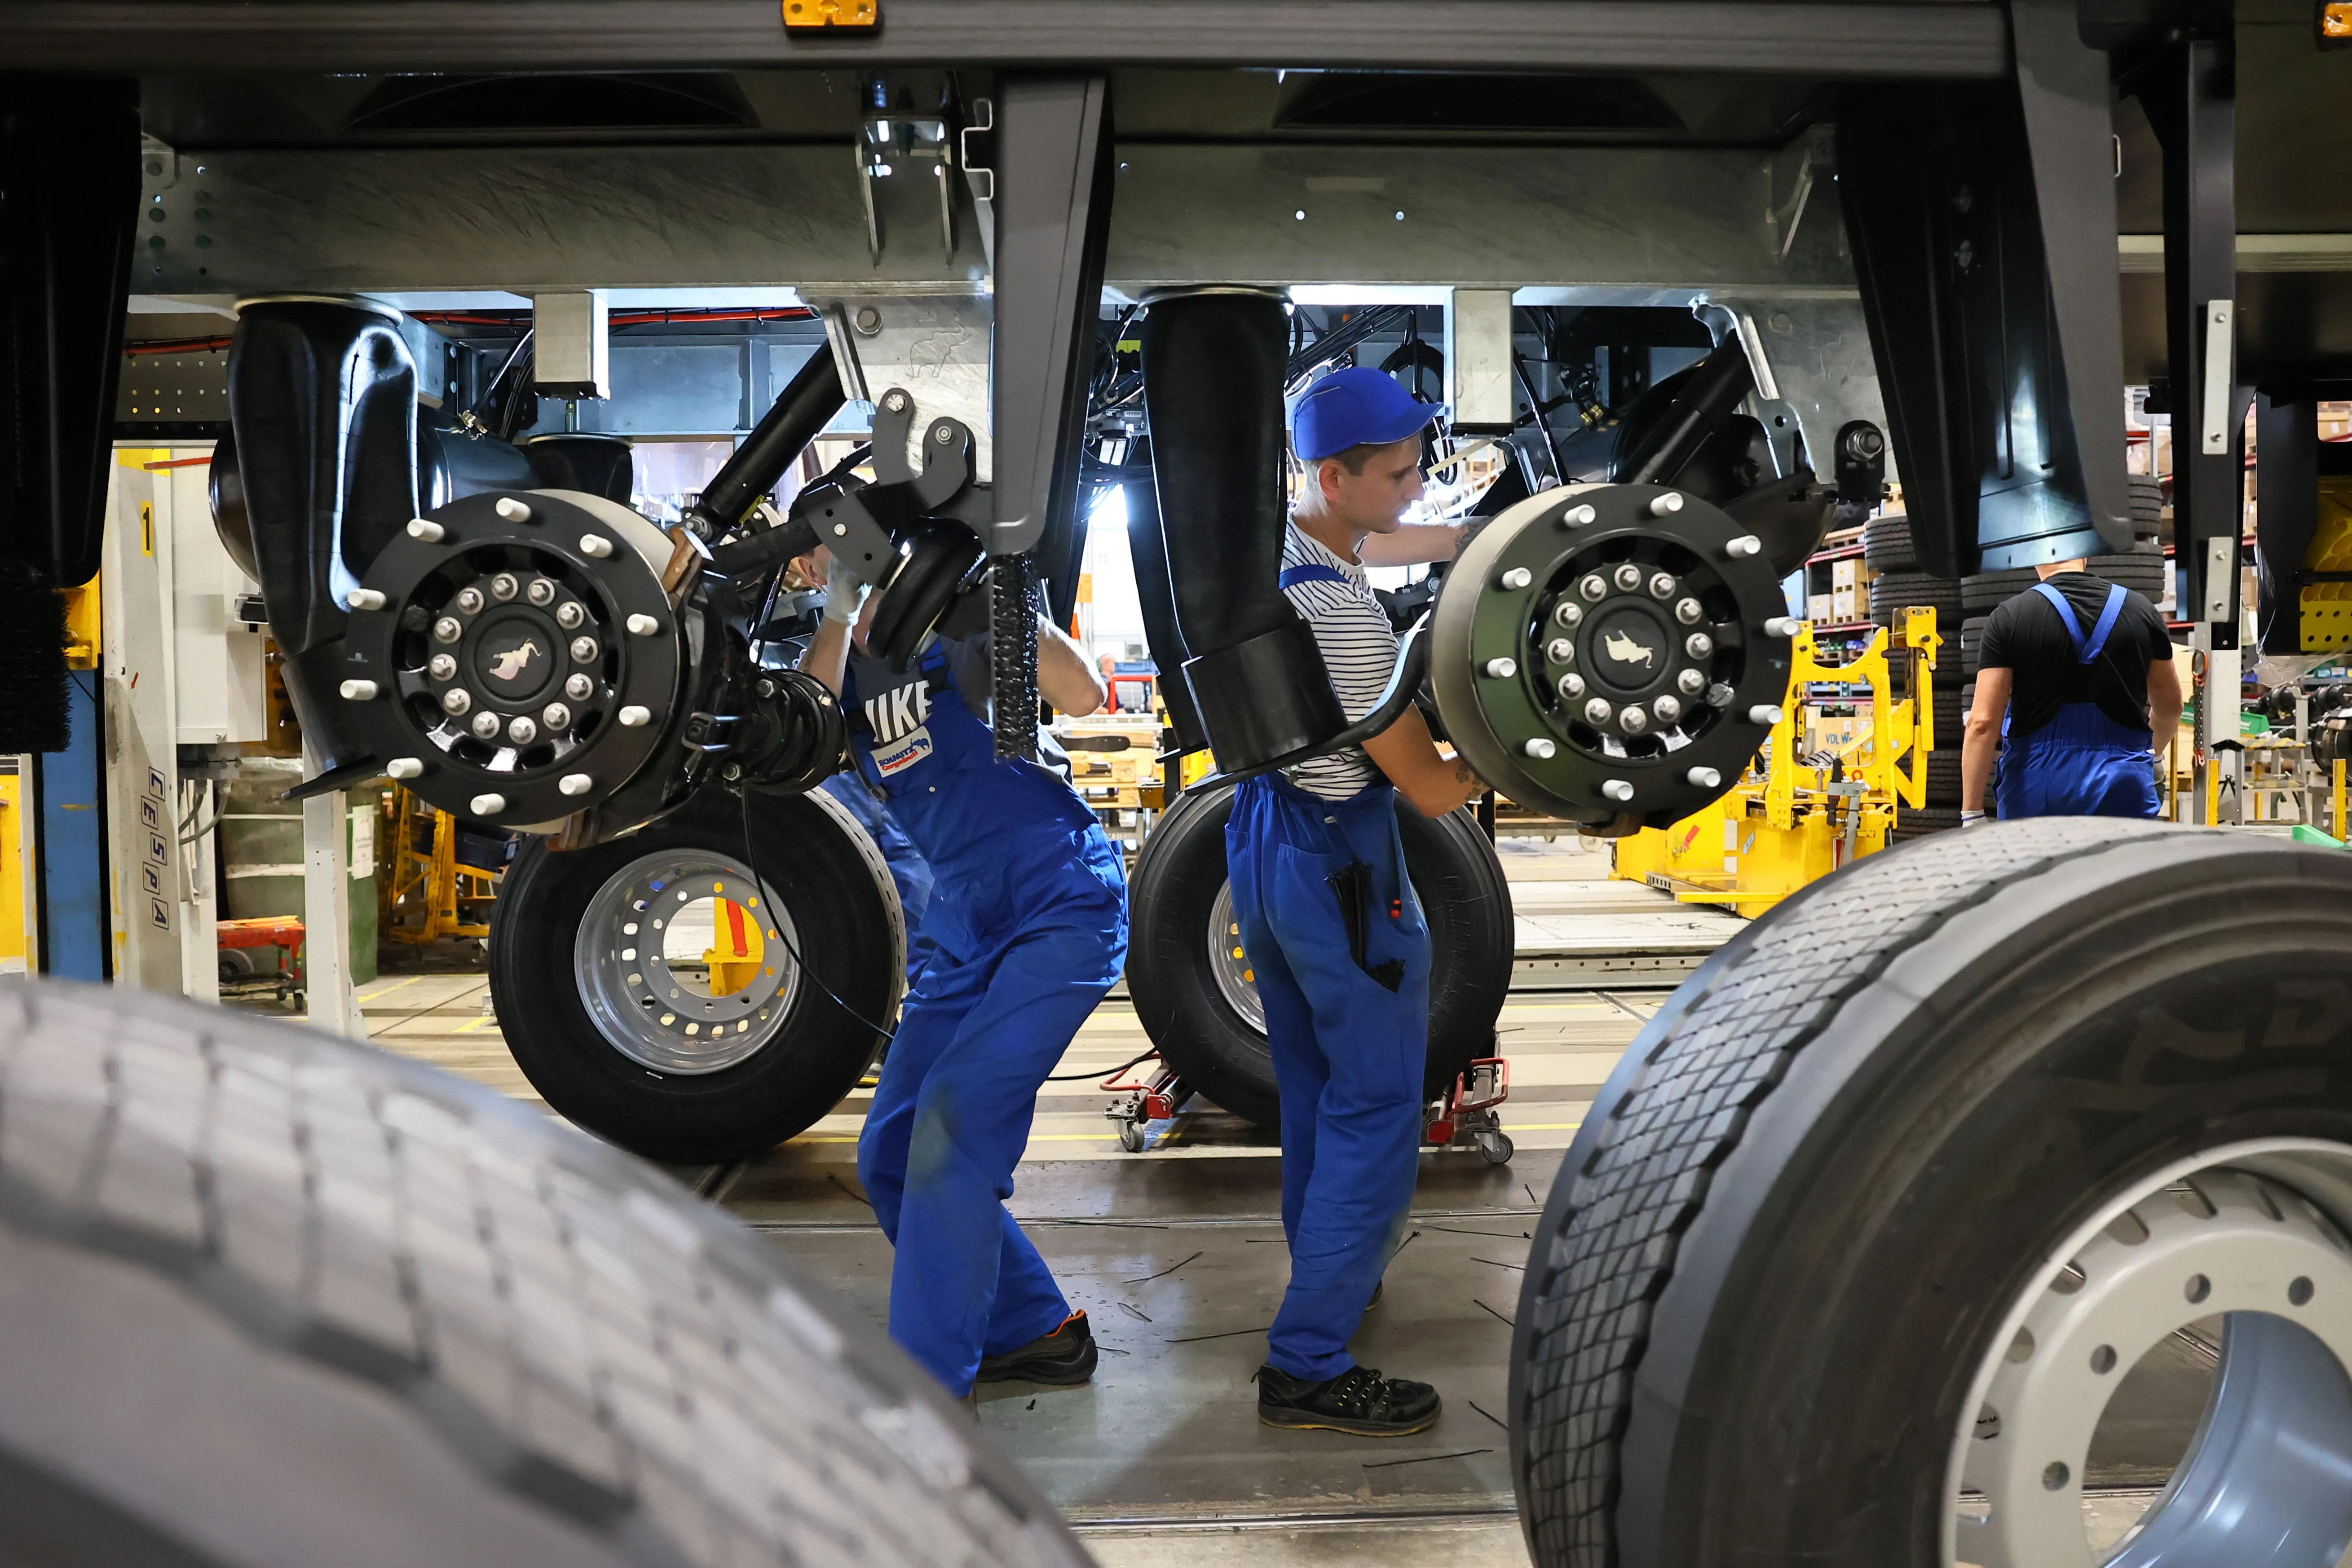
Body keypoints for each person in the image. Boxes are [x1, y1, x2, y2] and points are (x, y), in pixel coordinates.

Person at [802, 545, 1127, 1403]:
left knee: (951, 1138)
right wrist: (838, 609)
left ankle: (923, 1398)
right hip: (963, 925)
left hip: (1058, 901)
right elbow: (799, 725)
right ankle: (1035, 1330)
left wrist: (994, 601)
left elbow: (1083, 691)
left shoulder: (956, 629)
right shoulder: (842, 665)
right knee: (889, 1151)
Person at [1230, 366, 1487, 1437]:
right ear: (1332, 475)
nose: (1416, 485)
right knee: (1378, 1104)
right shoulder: (1342, 618)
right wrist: (1508, 750)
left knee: (1315, 1085)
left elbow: (1383, 543)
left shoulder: (1284, 552)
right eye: (1397, 472)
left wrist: (1481, 539)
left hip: (1265, 838)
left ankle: (1327, 1276)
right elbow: (1427, 787)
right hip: (1343, 864)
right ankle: (1309, 1356)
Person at [1961, 556, 2182, 822]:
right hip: (2124, 781)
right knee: (2125, 865)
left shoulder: (2009, 617)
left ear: (2034, 555)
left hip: (2036, 786)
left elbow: (1982, 723)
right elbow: (2170, 707)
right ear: (2085, 554)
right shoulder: (2141, 610)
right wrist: (2154, 757)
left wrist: (1972, 812)